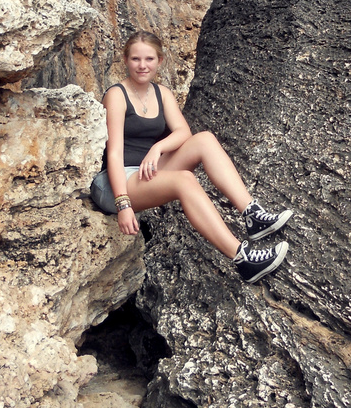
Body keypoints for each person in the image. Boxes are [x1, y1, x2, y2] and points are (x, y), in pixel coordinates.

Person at [90, 31, 292, 284]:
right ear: (126, 60)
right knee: (184, 180)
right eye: (135, 59)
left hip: (146, 171)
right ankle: (244, 259)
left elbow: (183, 132)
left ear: (160, 61)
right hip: (114, 182)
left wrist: (158, 148)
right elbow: (114, 153)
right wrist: (123, 205)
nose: (142, 66)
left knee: (204, 139)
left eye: (149, 59)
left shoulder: (162, 93)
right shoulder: (117, 95)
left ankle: (253, 215)